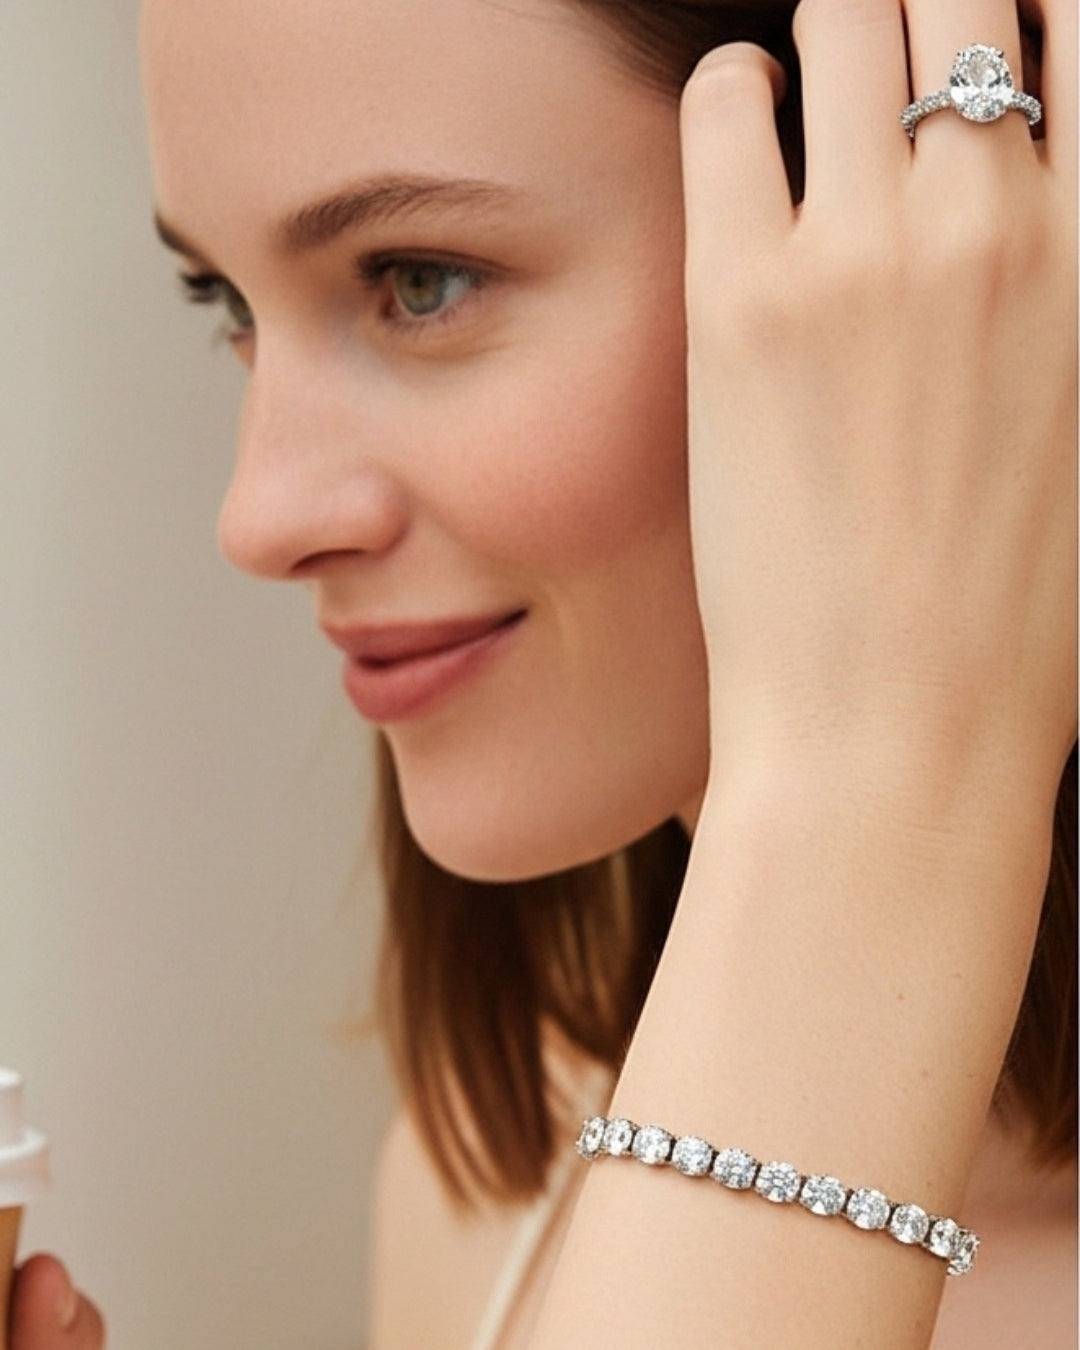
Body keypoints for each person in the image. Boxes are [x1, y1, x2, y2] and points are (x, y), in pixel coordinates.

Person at [9, 0, 1076, 1345]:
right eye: (225, 300)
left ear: (951, 225)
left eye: (420, 280)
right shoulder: (496, 1186)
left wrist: (880, 776)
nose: (257, 515)